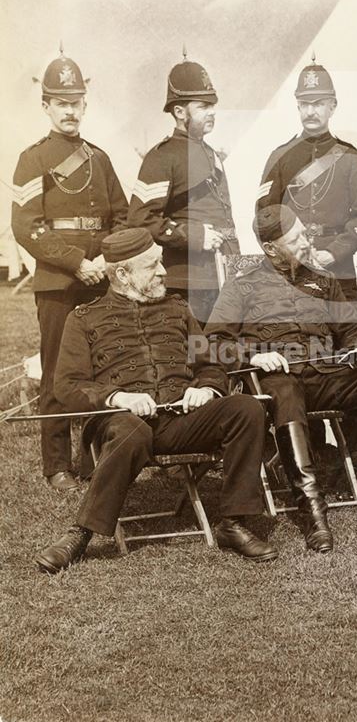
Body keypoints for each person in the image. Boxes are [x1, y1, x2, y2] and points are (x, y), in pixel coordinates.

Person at [35, 228, 273, 574]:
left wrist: (206, 388)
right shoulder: (85, 318)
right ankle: (80, 534)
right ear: (121, 274)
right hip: (120, 424)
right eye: (152, 266)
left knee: (247, 408)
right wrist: (118, 397)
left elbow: (210, 364)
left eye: (160, 262)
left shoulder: (177, 308)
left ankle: (233, 522)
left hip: (179, 419)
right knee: (133, 431)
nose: (163, 271)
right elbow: (68, 385)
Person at [206, 205, 357, 554]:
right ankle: (312, 511)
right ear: (272, 248)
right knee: (286, 388)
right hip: (279, 383)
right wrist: (254, 357)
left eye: (305, 234)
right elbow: (214, 342)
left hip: (326, 376)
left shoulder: (323, 280)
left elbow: (354, 327)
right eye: (297, 238)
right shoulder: (242, 287)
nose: (307, 242)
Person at [11, 48, 128, 492]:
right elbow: (26, 226)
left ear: (85, 104)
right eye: (61, 102)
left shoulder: (100, 158)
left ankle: (98, 454)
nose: (70, 110)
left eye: (76, 101)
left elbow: (122, 218)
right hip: (60, 281)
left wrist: (106, 260)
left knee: (104, 366)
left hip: (102, 277)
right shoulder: (32, 158)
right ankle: (57, 464)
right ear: (46, 106)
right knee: (58, 368)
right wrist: (77, 261)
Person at [128, 50, 239, 324]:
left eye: (213, 105)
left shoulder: (211, 153)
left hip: (221, 274)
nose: (212, 112)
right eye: (202, 106)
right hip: (187, 281)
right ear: (179, 111)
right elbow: (141, 218)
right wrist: (194, 236)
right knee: (194, 359)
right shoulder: (162, 157)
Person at [257, 59, 357, 299]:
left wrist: (333, 254)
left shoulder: (350, 157)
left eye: (318, 104)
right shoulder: (279, 157)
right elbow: (264, 215)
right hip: (293, 270)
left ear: (332, 106)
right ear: (298, 107)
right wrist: (289, 255)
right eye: (304, 104)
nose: (310, 112)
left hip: (339, 270)